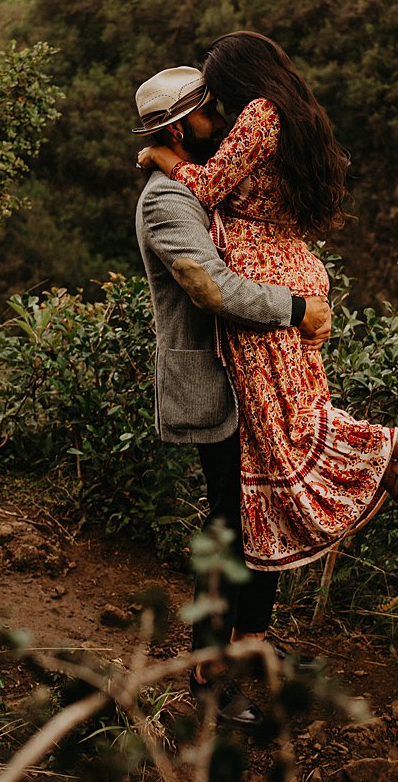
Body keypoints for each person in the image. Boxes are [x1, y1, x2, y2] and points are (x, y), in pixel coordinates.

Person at [137, 33, 398, 575]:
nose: (221, 118)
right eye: (209, 109)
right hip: (289, 274)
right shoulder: (288, 114)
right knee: (293, 429)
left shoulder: (259, 117)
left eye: (219, 98)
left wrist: (163, 157)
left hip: (269, 286)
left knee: (290, 434)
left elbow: (212, 193)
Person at [133, 66, 332, 728]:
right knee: (226, 528)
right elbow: (211, 287)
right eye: (207, 114)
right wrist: (296, 304)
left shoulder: (200, 183)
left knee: (261, 514)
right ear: (177, 127)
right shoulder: (166, 201)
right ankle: (208, 674)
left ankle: (250, 638)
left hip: (251, 380)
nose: (218, 122)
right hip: (213, 387)